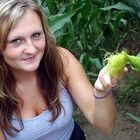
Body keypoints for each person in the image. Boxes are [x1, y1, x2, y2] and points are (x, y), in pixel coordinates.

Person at [0, 0, 122, 140]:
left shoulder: (61, 60)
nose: (32, 49)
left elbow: (105, 125)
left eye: (36, 35)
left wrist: (102, 92)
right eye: (16, 41)